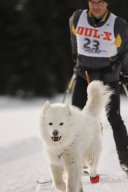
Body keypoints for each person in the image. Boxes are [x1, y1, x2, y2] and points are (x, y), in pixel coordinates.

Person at [69, 0, 128, 174]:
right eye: (92, 1)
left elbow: (124, 51)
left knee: (114, 118)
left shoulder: (118, 24)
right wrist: (76, 58)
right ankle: (78, 162)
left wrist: (124, 72)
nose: (95, 6)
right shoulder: (77, 17)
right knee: (76, 118)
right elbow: (74, 39)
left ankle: (125, 161)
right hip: (83, 75)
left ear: (107, 3)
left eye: (100, 2)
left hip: (107, 76)